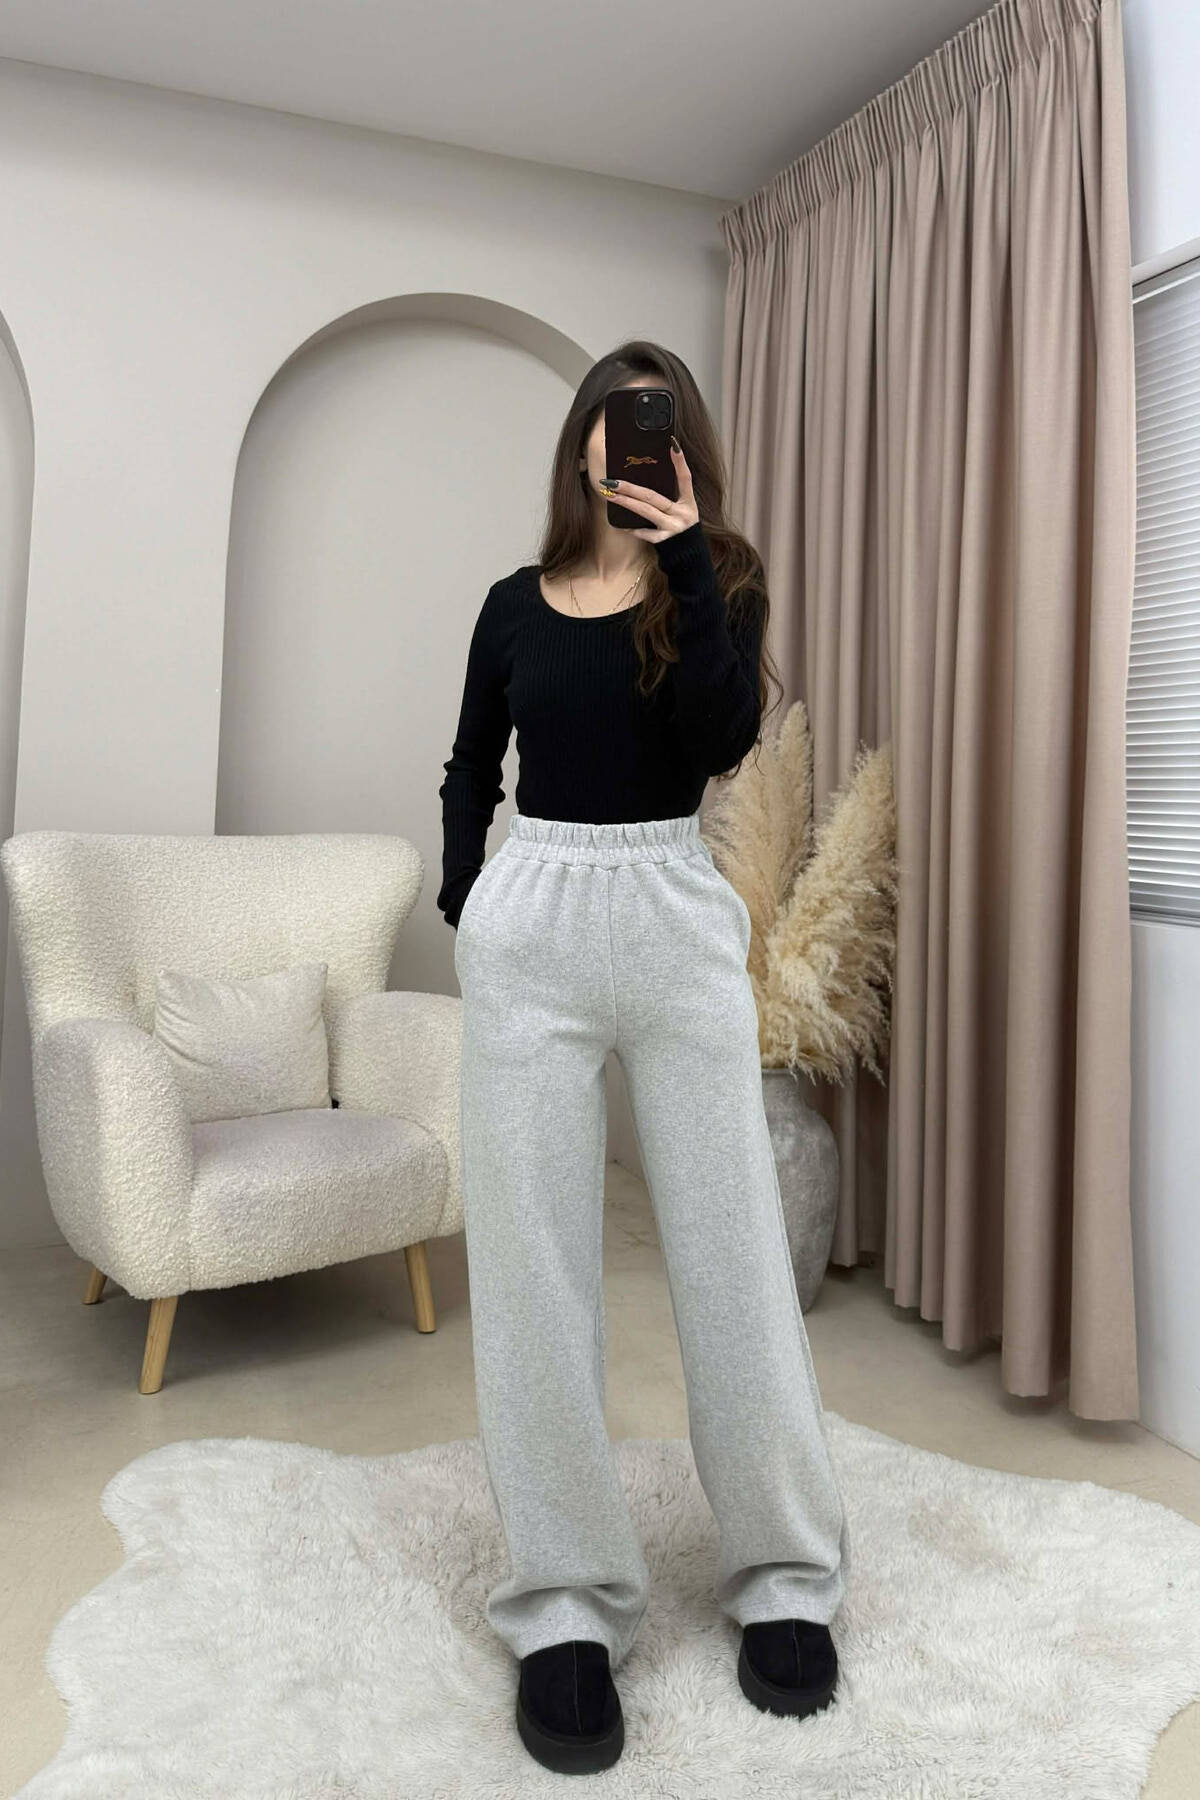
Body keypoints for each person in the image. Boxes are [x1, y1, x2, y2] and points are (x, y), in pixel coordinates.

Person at [437, 340, 851, 1775]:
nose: (628, 451)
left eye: (652, 432)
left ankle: (785, 1573)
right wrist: (469, 906)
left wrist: (681, 560)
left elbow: (723, 741)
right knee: (535, 1269)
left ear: (679, 451)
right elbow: (471, 765)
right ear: (581, 449)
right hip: (533, 926)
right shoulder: (511, 604)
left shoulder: (718, 577)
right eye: (609, 432)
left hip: (673, 910)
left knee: (732, 1252)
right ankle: (563, 1603)